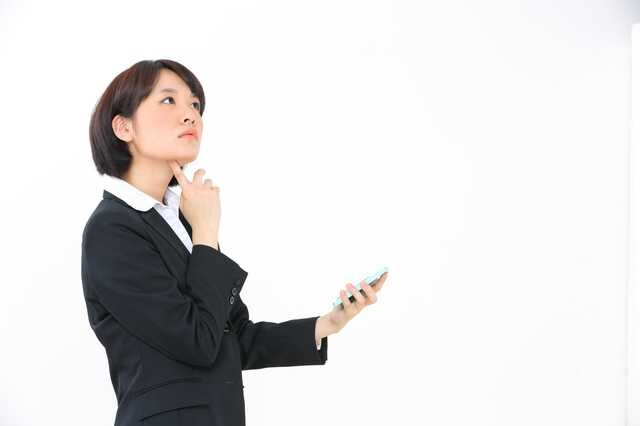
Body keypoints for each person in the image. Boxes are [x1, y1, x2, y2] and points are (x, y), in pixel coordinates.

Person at [81, 59, 388, 426]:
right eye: (168, 100)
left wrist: (327, 323)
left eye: (195, 104)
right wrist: (205, 232)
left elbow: (231, 337)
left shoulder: (182, 220)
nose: (190, 115)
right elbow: (195, 341)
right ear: (123, 126)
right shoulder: (111, 229)